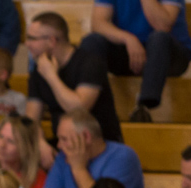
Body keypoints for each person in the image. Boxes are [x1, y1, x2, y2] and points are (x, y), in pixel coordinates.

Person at [29, 109, 145, 188]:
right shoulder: (63, 158)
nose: (59, 145)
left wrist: (79, 169)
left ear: (86, 137)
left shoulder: (123, 157)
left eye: (64, 139)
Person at [23, 12, 119, 144]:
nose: (27, 44)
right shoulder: (39, 68)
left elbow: (79, 110)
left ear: (52, 41)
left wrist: (51, 76)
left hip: (99, 145)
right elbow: (31, 121)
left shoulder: (90, 63)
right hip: (63, 144)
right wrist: (40, 143)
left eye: (32, 38)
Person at [88, 0, 190, 122]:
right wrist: (128, 38)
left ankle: (144, 107)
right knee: (92, 41)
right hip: (128, 52)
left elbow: (162, 25)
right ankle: (88, 105)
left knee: (159, 38)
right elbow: (98, 23)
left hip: (169, 55)